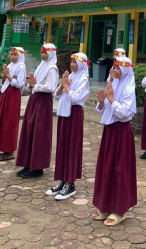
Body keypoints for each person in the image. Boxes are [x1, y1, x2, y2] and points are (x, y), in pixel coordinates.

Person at [92, 56, 137, 226]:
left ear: (125, 70)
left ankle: (119, 210)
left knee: (119, 171)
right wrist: (102, 102)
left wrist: (110, 99)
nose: (114, 70)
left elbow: (125, 113)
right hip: (109, 130)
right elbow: (105, 110)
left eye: (118, 68)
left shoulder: (129, 88)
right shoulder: (114, 84)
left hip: (121, 132)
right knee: (106, 168)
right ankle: (104, 205)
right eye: (114, 67)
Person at [46, 53, 90, 200]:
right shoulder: (70, 76)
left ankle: (70, 184)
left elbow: (76, 97)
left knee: (71, 147)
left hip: (74, 114)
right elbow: (56, 95)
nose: (72, 64)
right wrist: (63, 85)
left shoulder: (83, 79)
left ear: (82, 64)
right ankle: (62, 180)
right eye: (71, 61)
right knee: (62, 146)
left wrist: (66, 86)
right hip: (64, 115)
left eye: (75, 62)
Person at [16, 43, 59, 179]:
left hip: (43, 102)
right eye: (42, 52)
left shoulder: (52, 68)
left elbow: (51, 87)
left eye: (46, 53)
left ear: (51, 54)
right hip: (34, 100)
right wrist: (31, 84)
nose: (43, 55)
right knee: (30, 130)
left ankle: (37, 166)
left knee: (39, 132)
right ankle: (28, 163)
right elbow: (34, 85)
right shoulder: (41, 66)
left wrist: (36, 85)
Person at [0, 47, 26, 162]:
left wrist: (7, 75)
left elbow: (19, 83)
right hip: (5, 94)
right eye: (11, 54)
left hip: (12, 96)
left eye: (15, 55)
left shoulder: (21, 67)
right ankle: (3, 148)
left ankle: (10, 151)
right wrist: (4, 75)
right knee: (2, 121)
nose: (12, 56)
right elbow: (5, 81)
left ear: (20, 56)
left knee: (9, 122)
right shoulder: (10, 65)